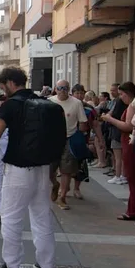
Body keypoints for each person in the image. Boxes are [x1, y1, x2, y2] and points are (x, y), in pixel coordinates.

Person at [0, 67, 58, 268]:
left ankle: (12, 265)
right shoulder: (46, 104)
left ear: (10, 83)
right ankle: (46, 264)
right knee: (42, 217)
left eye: (2, 87)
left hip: (18, 169)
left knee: (11, 217)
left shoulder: (10, 105)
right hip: (43, 168)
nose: (3, 91)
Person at [102, 82, 135, 221]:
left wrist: (110, 119)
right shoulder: (134, 105)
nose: (121, 97)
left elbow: (128, 125)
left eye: (122, 94)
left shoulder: (132, 105)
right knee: (134, 178)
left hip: (130, 142)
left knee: (133, 177)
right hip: (129, 141)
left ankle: (134, 210)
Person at [49, 80, 88, 210]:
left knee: (66, 170)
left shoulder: (76, 103)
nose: (62, 90)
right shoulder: (50, 102)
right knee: (49, 170)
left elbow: (83, 123)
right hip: (52, 140)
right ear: (56, 88)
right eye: (60, 88)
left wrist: (80, 137)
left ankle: (63, 197)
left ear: (69, 89)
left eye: (65, 88)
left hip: (68, 139)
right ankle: (55, 184)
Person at [107, 82, 127, 183]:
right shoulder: (124, 102)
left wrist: (108, 117)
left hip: (116, 131)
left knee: (118, 156)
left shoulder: (119, 102)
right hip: (121, 132)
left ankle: (118, 175)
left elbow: (112, 115)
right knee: (122, 157)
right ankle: (123, 175)